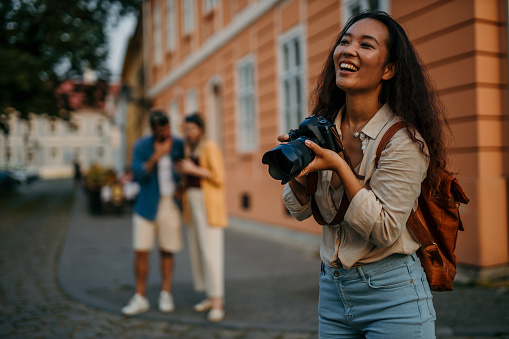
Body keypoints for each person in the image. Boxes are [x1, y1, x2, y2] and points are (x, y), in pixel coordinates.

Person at [280, 11, 449, 338]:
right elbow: (297, 209)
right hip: (332, 293)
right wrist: (298, 172)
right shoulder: (322, 129)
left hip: (393, 295)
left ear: (389, 70)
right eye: (345, 41)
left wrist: (340, 167)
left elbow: (386, 230)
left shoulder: (404, 142)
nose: (348, 50)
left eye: (366, 44)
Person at [121, 110, 184, 316]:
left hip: (169, 204)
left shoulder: (178, 144)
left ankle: (166, 293)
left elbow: (183, 170)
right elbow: (138, 174)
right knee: (141, 250)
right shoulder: (141, 146)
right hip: (146, 204)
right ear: (152, 129)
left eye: (167, 128)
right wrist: (157, 155)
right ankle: (140, 297)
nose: (165, 132)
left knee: (167, 250)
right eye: (160, 129)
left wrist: (180, 185)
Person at [175, 113, 228, 322]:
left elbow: (218, 177)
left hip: (208, 206)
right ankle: (209, 295)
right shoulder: (190, 149)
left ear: (200, 129)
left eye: (192, 129)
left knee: (211, 253)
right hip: (193, 204)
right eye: (186, 129)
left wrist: (193, 169)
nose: (189, 133)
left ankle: (218, 302)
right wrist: (182, 173)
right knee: (198, 251)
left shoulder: (210, 147)